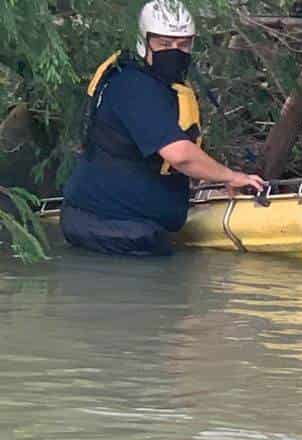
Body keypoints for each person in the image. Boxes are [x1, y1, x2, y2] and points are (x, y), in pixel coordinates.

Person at [60, 0, 264, 257]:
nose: (175, 52)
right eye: (164, 44)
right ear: (144, 41)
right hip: (113, 228)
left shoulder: (159, 84)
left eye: (183, 44)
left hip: (127, 227)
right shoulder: (134, 86)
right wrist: (231, 176)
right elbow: (179, 155)